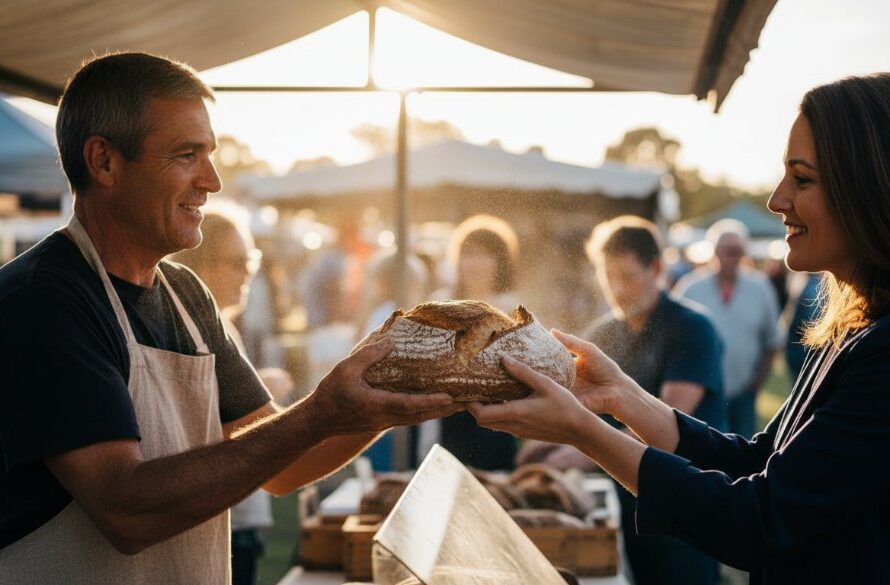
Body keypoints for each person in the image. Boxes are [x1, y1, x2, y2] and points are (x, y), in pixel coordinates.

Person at [0, 53, 459, 584]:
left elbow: (284, 468)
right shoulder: (42, 301)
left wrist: (388, 398)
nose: (212, 181)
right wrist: (319, 413)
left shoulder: (187, 297)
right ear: (104, 161)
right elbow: (126, 509)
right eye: (186, 154)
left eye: (209, 154)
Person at [469, 73, 890, 584]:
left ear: (869, 186)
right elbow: (756, 459)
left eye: (802, 179)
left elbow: (760, 518)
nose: (777, 200)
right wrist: (618, 395)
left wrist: (582, 431)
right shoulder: (855, 331)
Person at [520, 215, 725, 585]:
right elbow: (571, 400)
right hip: (624, 500)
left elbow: (667, 422)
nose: (617, 289)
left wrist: (575, 452)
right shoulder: (603, 333)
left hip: (683, 503)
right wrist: (539, 440)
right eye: (607, 276)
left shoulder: (693, 327)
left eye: (627, 276)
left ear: (657, 268)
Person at [171, 210, 291, 585]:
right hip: (229, 522)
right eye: (239, 263)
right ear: (202, 268)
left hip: (239, 516)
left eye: (251, 261)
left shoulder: (221, 329)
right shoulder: (201, 336)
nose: (248, 274)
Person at [422, 214, 522, 470]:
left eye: (484, 255)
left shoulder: (514, 310)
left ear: (500, 262)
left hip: (499, 424)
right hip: (448, 420)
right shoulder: (441, 305)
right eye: (468, 255)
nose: (474, 263)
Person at [675, 219, 782, 437]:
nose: (734, 257)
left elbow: (772, 341)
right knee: (701, 457)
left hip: (743, 394)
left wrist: (756, 382)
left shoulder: (760, 288)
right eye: (728, 251)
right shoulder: (690, 288)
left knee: (743, 459)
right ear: (714, 251)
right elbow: (673, 339)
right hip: (699, 394)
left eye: (739, 251)